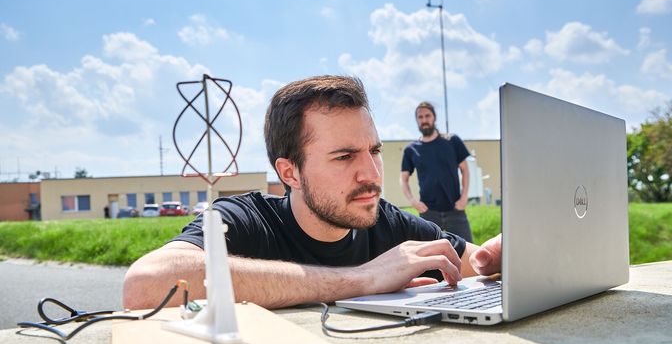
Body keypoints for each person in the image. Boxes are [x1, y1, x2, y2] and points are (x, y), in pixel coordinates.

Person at [122, 76, 500, 310]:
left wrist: (508, 251)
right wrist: (363, 280)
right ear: (290, 172)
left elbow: (478, 262)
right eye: (344, 156)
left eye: (375, 151)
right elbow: (145, 286)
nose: (370, 174)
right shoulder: (246, 219)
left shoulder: (387, 220)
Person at [399, 101, 474, 242]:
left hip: (455, 210)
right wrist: (412, 201)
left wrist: (464, 198)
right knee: (428, 260)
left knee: (470, 254)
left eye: (427, 116)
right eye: (420, 117)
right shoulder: (411, 149)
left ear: (434, 117)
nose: (424, 120)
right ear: (416, 120)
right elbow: (403, 179)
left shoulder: (452, 141)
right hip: (428, 213)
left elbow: (465, 170)